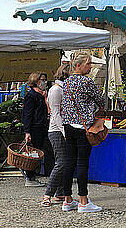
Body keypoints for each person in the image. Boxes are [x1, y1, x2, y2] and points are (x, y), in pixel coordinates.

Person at [61, 50, 104, 213]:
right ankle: (83, 201)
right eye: (88, 63)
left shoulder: (66, 82)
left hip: (68, 126)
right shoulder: (86, 82)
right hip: (83, 127)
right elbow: (100, 100)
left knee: (69, 162)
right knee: (82, 163)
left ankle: (67, 199)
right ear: (78, 65)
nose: (90, 66)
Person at [42, 64, 70, 206]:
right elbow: (56, 114)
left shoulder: (63, 89)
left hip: (61, 129)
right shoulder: (55, 90)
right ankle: (47, 195)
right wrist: (64, 132)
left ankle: (59, 194)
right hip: (56, 130)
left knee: (63, 163)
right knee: (61, 163)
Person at [22, 71, 49, 187]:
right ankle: (30, 176)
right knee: (33, 152)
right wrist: (27, 131)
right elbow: (27, 114)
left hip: (42, 126)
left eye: (44, 80)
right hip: (35, 127)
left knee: (38, 152)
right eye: (41, 80)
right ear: (35, 81)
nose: (44, 82)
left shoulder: (41, 95)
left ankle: (33, 175)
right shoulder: (31, 96)